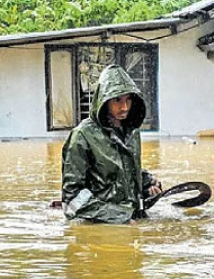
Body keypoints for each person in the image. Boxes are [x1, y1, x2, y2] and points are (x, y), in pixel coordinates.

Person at [61, 65, 162, 224]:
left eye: (128, 99)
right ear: (103, 100)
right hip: (100, 223)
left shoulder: (132, 131)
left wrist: (147, 184)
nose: (124, 107)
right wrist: (118, 218)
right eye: (117, 100)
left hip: (133, 218)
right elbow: (72, 199)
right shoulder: (82, 135)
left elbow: (122, 171)